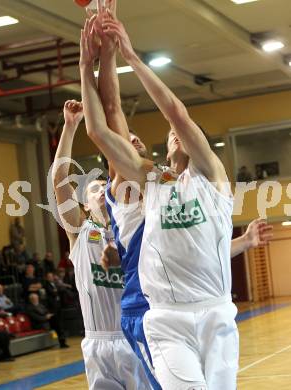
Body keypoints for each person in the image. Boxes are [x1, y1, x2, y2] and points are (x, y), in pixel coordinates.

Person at [81, 13, 274, 389]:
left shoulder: (211, 175)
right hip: (164, 316)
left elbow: (176, 113)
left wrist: (132, 58)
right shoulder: (151, 181)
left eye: (181, 133)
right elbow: (100, 128)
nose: (174, 133)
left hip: (215, 312)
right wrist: (87, 64)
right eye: (169, 134)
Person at [52, 94, 151, 389]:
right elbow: (60, 177)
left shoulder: (132, 225)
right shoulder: (79, 232)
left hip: (134, 332)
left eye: (103, 187)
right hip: (97, 342)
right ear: (83, 204)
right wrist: (70, 127)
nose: (100, 191)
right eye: (93, 189)